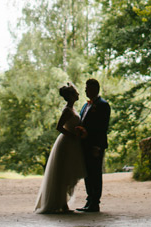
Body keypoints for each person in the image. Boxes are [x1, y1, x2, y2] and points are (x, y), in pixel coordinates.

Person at [33, 84, 86, 214]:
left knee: (68, 173)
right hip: (67, 142)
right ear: (71, 96)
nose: (78, 95)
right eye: (76, 93)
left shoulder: (72, 109)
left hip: (72, 142)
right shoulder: (67, 110)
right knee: (63, 173)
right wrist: (73, 136)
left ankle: (63, 203)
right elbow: (59, 127)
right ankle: (62, 204)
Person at [76, 78, 111, 213]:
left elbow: (102, 127)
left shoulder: (103, 105)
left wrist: (97, 146)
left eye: (87, 88)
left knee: (95, 173)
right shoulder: (86, 105)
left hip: (95, 145)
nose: (85, 90)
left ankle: (95, 202)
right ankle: (89, 200)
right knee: (87, 173)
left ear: (95, 89)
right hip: (84, 144)